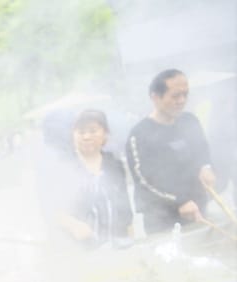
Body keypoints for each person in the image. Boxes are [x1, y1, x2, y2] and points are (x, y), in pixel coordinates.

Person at [126, 69, 215, 235]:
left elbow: (203, 150)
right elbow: (143, 180)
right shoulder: (139, 134)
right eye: (175, 96)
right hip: (162, 219)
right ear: (155, 97)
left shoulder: (190, 121)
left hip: (198, 209)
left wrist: (206, 167)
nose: (182, 100)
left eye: (185, 94)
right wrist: (179, 202)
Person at [43, 110, 133, 250]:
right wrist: (73, 225)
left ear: (105, 134)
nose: (86, 136)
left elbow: (125, 209)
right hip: (81, 249)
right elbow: (51, 209)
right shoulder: (63, 167)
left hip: (117, 244)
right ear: (73, 135)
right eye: (81, 132)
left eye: (93, 131)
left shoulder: (114, 165)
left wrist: (132, 241)